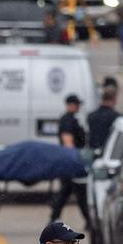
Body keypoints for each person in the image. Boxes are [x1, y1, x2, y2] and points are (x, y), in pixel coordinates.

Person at [49, 95, 90, 228]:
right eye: (76, 104)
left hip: (69, 161)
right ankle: (89, 221)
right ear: (70, 105)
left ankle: (53, 217)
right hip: (70, 162)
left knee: (66, 192)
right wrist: (74, 160)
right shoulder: (67, 120)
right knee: (79, 193)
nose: (78, 107)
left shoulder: (71, 119)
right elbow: (68, 142)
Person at [86, 86, 120, 152]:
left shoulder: (91, 116)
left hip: (92, 153)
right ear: (115, 99)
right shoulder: (117, 118)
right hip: (108, 153)